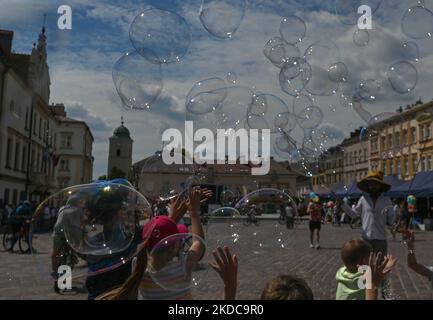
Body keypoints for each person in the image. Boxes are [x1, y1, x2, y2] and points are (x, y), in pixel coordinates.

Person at [97, 187, 207, 300]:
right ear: (174, 247)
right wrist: (194, 212)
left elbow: (157, 236)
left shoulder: (139, 267)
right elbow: (198, 242)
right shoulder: (182, 266)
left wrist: (170, 219)